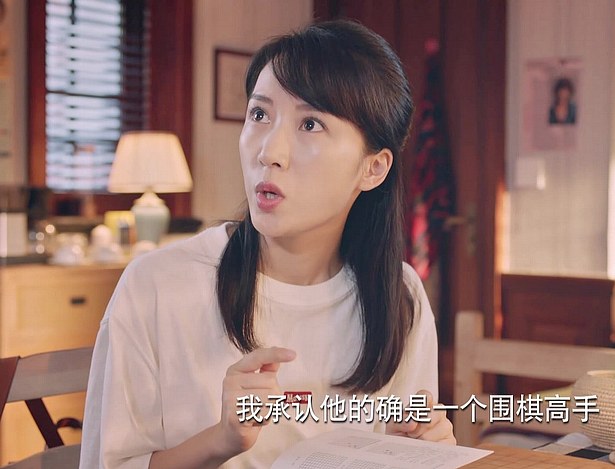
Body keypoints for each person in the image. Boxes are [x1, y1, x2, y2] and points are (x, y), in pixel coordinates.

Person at [80, 20, 454, 468]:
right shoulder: (156, 286)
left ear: (372, 169)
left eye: (310, 124)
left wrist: (419, 448)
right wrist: (220, 441)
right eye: (259, 115)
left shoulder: (399, 294)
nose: (269, 152)